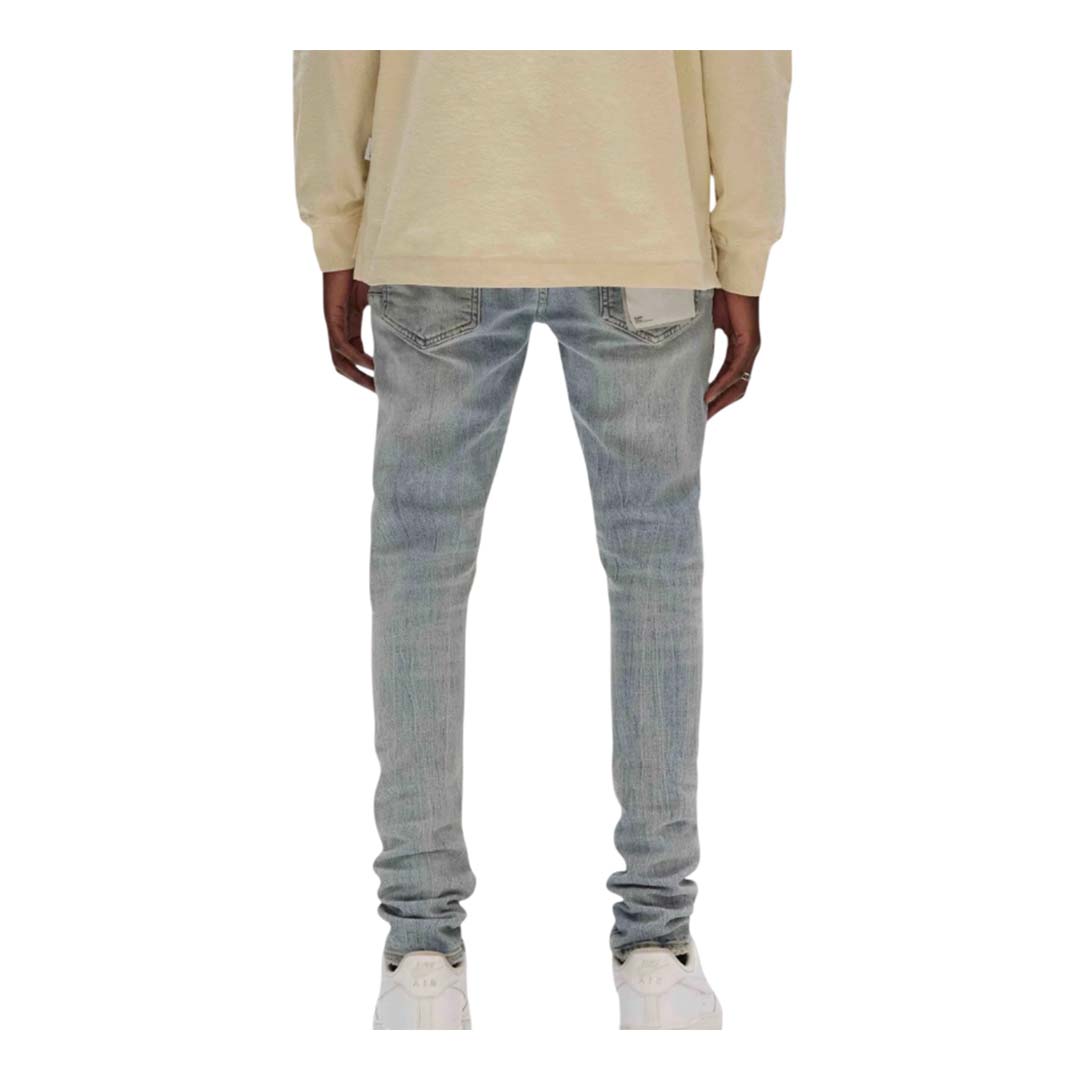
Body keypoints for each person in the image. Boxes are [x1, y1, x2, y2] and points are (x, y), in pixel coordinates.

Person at [294, 49, 790, 1030]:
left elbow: (334, 46)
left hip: (438, 212)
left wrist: (336, 229)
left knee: (420, 568)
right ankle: (656, 949)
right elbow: (746, 52)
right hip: (640, 218)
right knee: (653, 564)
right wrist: (745, 249)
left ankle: (421, 956)